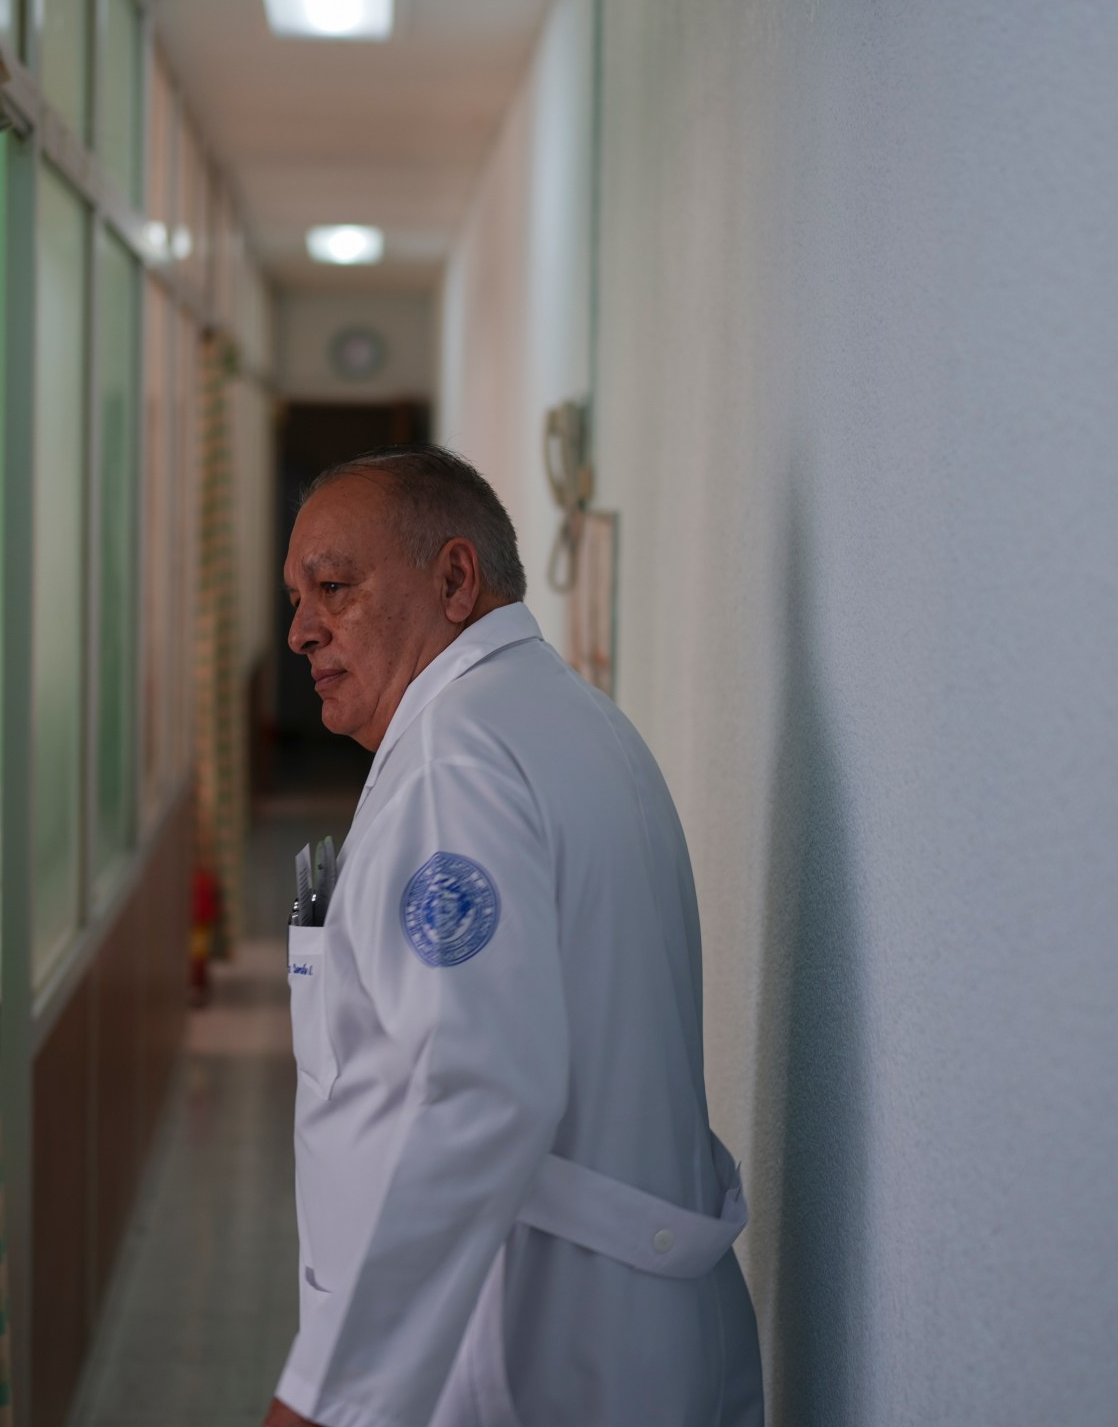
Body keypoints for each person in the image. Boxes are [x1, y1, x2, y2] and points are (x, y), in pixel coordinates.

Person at [266, 446, 762, 1427]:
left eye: (332, 587)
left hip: (527, 1346)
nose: (298, 630)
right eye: (296, 597)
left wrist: (330, 1402)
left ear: (454, 579)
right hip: (624, 1324)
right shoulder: (566, 718)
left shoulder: (454, 761)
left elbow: (468, 1092)